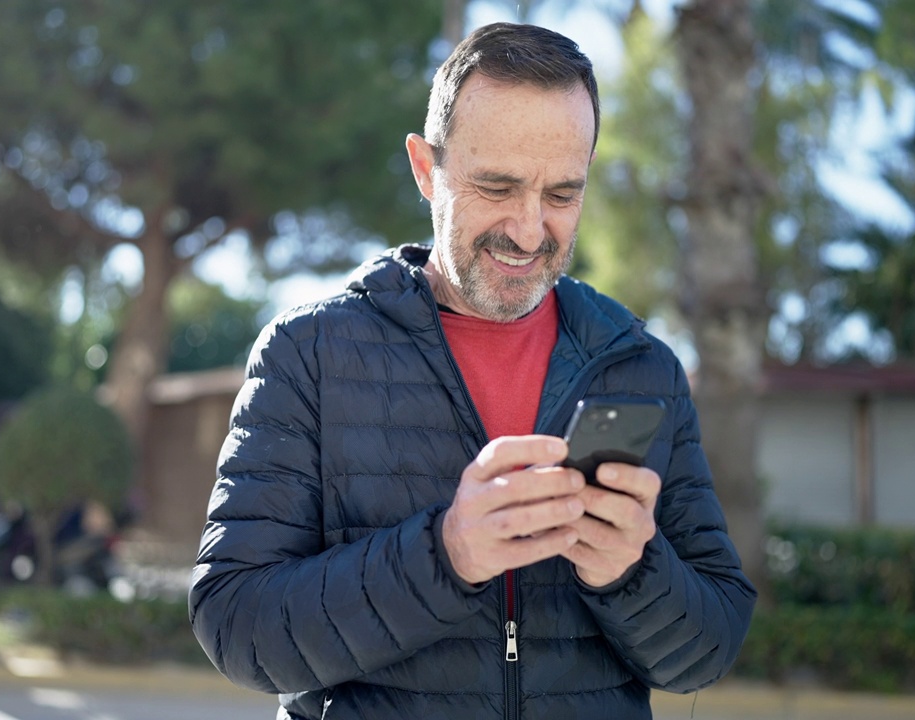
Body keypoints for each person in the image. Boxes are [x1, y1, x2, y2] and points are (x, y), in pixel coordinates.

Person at [189, 22, 756, 719]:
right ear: (427, 170)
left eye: (561, 194)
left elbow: (709, 647)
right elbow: (235, 625)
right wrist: (445, 555)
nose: (528, 230)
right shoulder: (307, 354)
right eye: (497, 186)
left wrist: (634, 574)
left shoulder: (643, 368)